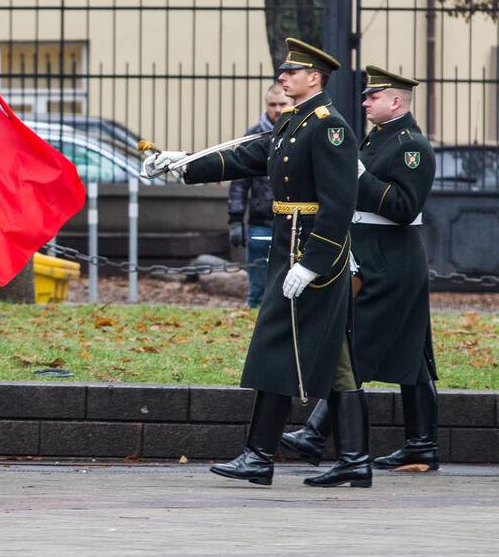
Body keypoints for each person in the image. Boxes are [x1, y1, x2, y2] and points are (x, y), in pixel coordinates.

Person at [145, 38, 368, 488]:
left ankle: (259, 455)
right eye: (282, 71)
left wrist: (313, 263)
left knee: (277, 347)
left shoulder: (329, 127)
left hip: (310, 256)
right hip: (288, 248)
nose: (282, 77)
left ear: (315, 78)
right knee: (334, 360)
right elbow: (246, 156)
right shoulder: (294, 122)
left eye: (292, 72)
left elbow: (338, 204)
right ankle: (353, 459)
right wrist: (183, 166)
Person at [282, 65, 440, 471]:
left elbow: (404, 209)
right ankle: (421, 443)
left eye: (373, 96)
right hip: (376, 255)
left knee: (355, 347)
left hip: (391, 260)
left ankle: (315, 434)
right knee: (412, 352)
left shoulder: (411, 146)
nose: (365, 101)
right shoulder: (380, 137)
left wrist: (359, 176)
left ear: (396, 101)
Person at [229, 83, 290, 308]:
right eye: (272, 104)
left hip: (292, 221)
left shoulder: (299, 133)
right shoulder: (254, 135)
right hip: (259, 222)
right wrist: (235, 221)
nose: (276, 109)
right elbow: (239, 182)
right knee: (257, 290)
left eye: (282, 104)